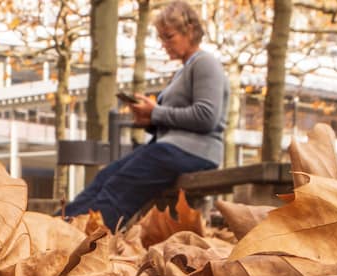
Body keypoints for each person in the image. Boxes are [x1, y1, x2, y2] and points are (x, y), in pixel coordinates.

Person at [63, 0, 229, 230]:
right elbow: (179, 120)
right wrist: (150, 120)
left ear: (189, 31)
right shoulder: (185, 70)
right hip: (173, 148)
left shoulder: (206, 63)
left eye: (168, 37)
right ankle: (59, 225)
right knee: (105, 178)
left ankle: (83, 237)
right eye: (161, 38)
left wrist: (156, 112)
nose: (164, 45)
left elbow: (206, 116)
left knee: (119, 186)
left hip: (194, 152)